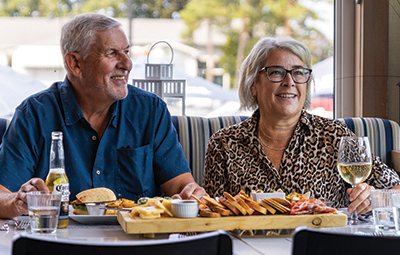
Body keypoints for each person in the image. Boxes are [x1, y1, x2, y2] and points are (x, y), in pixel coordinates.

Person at [0, 13, 206, 219]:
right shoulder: (34, 115)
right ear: (75, 64)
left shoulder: (150, 110)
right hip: (60, 244)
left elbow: (181, 185)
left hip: (136, 244)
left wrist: (192, 192)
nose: (127, 63)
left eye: (126, 51)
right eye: (112, 53)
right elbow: (2, 195)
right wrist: (17, 201)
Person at [203, 37, 400, 215]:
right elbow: (210, 216)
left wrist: (373, 197)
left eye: (298, 73)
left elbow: (396, 190)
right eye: (276, 72)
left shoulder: (334, 136)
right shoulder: (224, 144)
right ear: (253, 84)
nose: (289, 82)